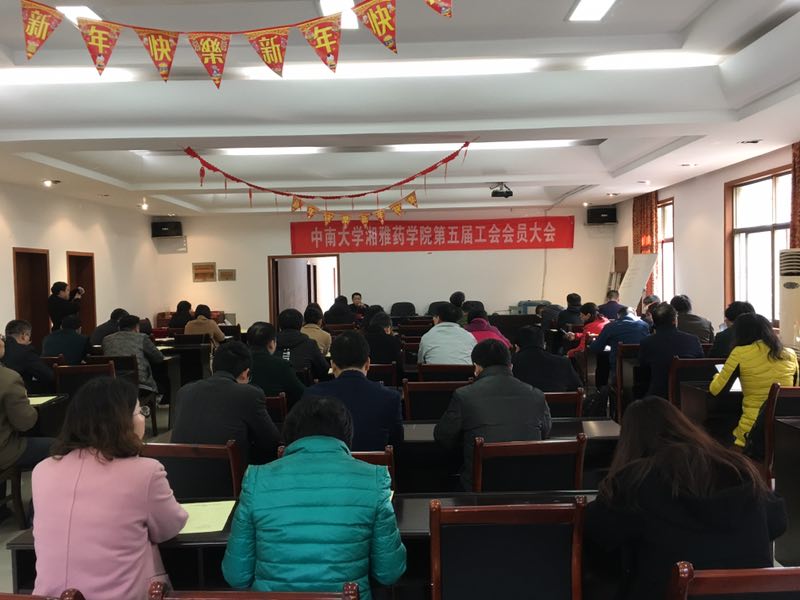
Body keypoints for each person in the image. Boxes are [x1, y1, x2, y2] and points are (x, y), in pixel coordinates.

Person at [585, 397, 786, 600]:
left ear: (628, 442)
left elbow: (594, 530)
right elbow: (778, 522)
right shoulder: (738, 469)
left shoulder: (635, 481)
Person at [222, 396, 406, 599]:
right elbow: (389, 573)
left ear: (289, 435)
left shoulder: (257, 479)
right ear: (348, 436)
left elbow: (236, 576)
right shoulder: (374, 479)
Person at [32, 377, 187, 600]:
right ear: (122, 422)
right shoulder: (145, 472)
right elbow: (170, 528)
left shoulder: (42, 470)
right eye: (139, 412)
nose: (143, 418)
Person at [435, 339, 552, 490]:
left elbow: (443, 437)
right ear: (510, 366)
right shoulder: (536, 395)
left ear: (476, 368)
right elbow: (545, 432)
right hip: (529, 488)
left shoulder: (464, 395)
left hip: (480, 489)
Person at [171, 341, 280, 464]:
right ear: (245, 374)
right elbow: (272, 441)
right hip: (229, 473)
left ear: (212, 367)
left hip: (178, 472)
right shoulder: (249, 394)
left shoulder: (184, 391)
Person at [303, 331, 403, 451]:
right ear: (368, 364)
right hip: (371, 463)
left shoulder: (312, 395)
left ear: (333, 365)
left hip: (328, 463)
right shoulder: (391, 398)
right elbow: (397, 445)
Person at [709, 313, 798, 448]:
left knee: (716, 430)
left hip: (752, 431)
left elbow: (716, 390)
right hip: (785, 431)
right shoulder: (790, 354)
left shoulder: (740, 352)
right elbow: (795, 389)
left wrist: (717, 375)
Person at [0, 333, 51, 478]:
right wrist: (27, 405)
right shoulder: (8, 378)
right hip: (4, 451)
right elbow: (25, 423)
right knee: (60, 446)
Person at [638, 303, 704, 398]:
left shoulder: (647, 342)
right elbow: (700, 364)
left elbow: (643, 366)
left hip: (659, 395)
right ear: (674, 320)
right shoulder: (693, 340)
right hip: (688, 395)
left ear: (654, 321)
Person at [247, 321, 306, 407]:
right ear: (272, 343)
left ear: (248, 343)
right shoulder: (281, 365)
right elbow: (301, 392)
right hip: (274, 414)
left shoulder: (237, 362)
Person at [103, 315, 164, 394]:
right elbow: (159, 358)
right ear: (136, 327)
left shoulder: (106, 340)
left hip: (113, 385)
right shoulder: (142, 338)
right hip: (140, 386)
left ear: (119, 328)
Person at [511, 326, 582, 392]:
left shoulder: (511, 363)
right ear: (544, 344)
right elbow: (578, 388)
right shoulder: (563, 362)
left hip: (524, 401)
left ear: (517, 346)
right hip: (557, 401)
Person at [589, 307, 650, 383]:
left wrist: (592, 341)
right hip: (643, 369)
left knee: (603, 358)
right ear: (635, 314)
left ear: (618, 316)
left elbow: (596, 348)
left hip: (618, 370)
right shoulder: (644, 325)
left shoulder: (611, 326)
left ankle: (602, 388)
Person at [276, 309, 329, 380]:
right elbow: (324, 368)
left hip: (274, 386)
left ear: (279, 325)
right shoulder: (310, 344)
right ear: (301, 324)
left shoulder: (270, 343)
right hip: (304, 385)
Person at [1, 320, 54, 392]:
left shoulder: (2, 348)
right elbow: (48, 376)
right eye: (29, 336)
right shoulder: (25, 351)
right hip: (16, 394)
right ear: (24, 335)